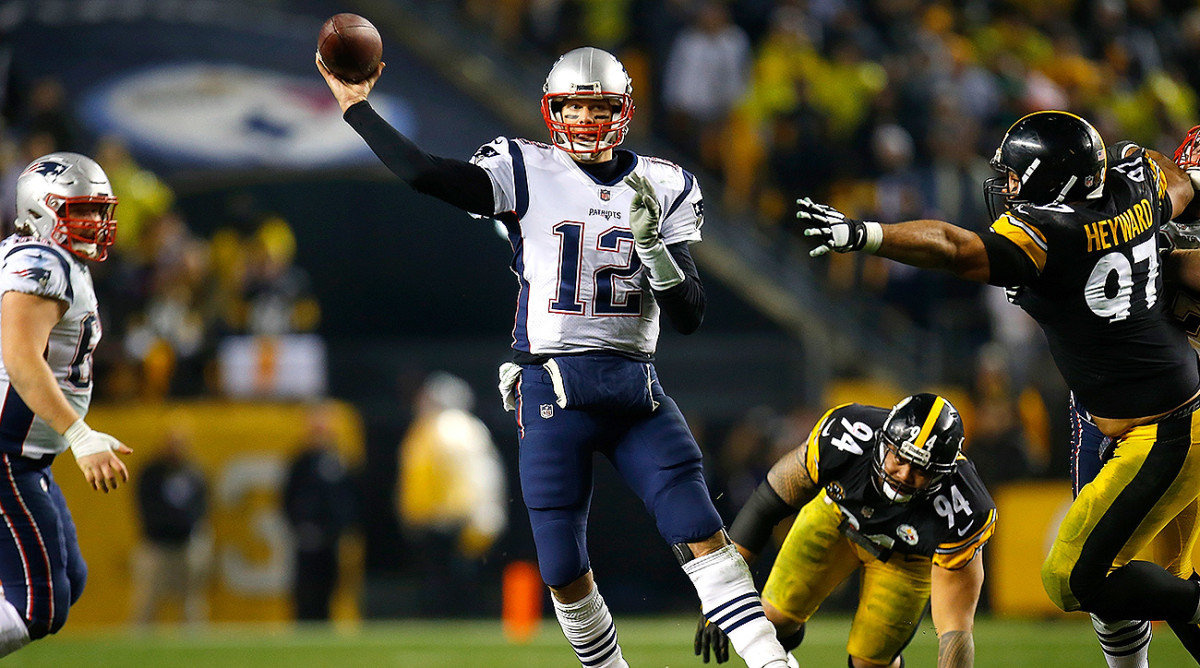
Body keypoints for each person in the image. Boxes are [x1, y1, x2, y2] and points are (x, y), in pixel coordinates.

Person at [317, 46, 794, 668]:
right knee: (563, 569)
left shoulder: (665, 182)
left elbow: (689, 316)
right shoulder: (525, 167)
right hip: (553, 387)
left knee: (701, 529)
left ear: (623, 109)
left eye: (600, 106)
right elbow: (426, 174)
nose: (587, 118)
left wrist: (657, 253)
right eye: (575, 105)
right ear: (553, 108)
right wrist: (359, 110)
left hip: (635, 389)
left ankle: (771, 662)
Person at [797, 111, 1200, 643]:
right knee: (1151, 580)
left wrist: (867, 233)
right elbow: (1174, 182)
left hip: (1165, 431)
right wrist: (1160, 168)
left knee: (1072, 577)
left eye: (1015, 175)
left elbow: (955, 247)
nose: (1007, 186)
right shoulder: (1134, 193)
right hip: (1162, 415)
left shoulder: (1053, 231)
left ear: (1049, 179)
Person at [694, 393, 994, 668]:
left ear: (943, 473)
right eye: (899, 458)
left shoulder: (964, 508)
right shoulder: (846, 432)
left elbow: (955, 629)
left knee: (869, 662)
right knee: (774, 619)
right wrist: (722, 596)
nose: (904, 474)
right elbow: (766, 504)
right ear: (883, 441)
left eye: (921, 470)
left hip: (904, 560)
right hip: (837, 517)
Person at [0, 152, 131, 656]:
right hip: (8, 452)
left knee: (69, 579)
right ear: (41, 210)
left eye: (101, 210)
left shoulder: (55, 259)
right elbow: (21, 360)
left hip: (28, 455)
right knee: (39, 607)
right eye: (83, 210)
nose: (96, 222)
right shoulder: (39, 263)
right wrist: (80, 435)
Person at [396, 371, 507, 616]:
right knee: (445, 580)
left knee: (451, 581)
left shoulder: (452, 428)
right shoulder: (432, 428)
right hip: (440, 518)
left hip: (451, 519)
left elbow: (479, 477)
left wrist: (479, 515)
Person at [129, 426, 210, 626]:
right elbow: (145, 506)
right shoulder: (151, 472)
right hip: (157, 544)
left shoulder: (194, 472)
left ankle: (195, 650)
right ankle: (137, 648)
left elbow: (203, 506)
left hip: (186, 544)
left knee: (191, 602)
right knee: (147, 600)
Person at [282, 406, 356, 621]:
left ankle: (325, 624)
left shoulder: (338, 460)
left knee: (328, 587)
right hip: (306, 535)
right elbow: (288, 497)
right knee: (305, 589)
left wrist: (342, 527)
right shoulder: (300, 462)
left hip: (330, 537)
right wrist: (298, 526)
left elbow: (347, 497)